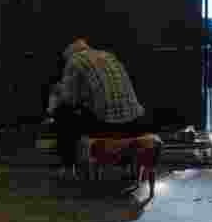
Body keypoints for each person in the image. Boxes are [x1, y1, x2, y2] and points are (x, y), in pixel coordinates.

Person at [47, 38, 150, 171]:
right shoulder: (108, 55)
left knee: (63, 112)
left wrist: (56, 95)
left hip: (106, 124)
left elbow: (69, 100)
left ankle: (67, 162)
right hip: (135, 122)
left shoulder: (74, 61)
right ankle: (124, 159)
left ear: (68, 53)